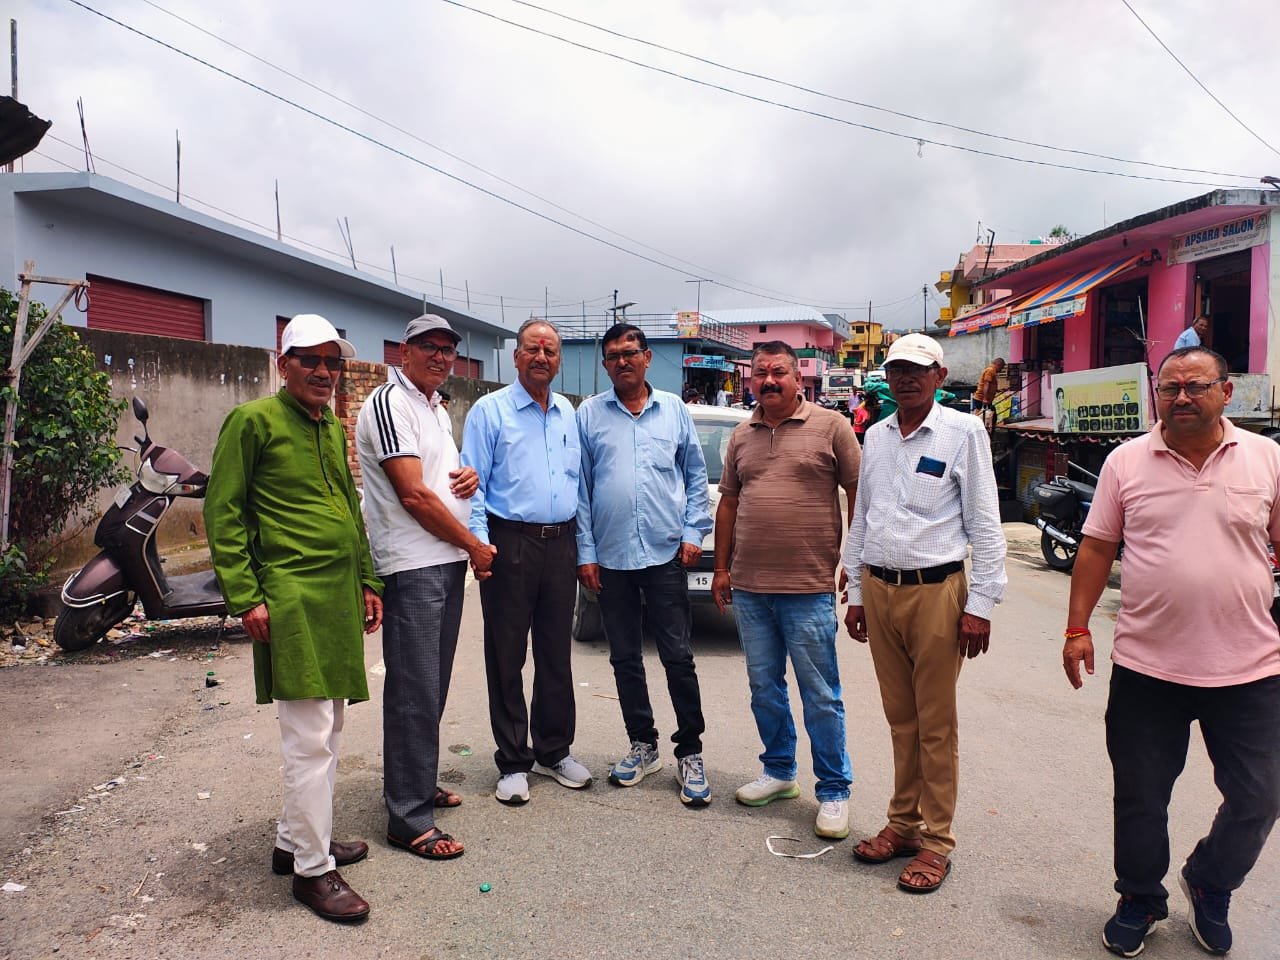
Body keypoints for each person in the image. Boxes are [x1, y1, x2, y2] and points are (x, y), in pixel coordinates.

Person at [1062, 345, 1280, 958]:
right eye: (1170, 387)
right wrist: (1076, 629)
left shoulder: (1267, 458)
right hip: (1148, 666)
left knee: (1262, 794)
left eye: (1196, 386)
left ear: (1226, 392)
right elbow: (1097, 548)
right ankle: (1139, 897)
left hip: (1250, 666)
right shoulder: (1126, 461)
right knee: (1141, 793)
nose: (1181, 397)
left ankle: (1210, 881)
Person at [204, 313, 383, 923]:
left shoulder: (329, 426)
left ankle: (297, 840)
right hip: (292, 596)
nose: (324, 372)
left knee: (329, 728)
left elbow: (350, 510)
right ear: (284, 364)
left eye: (333, 362)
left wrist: (367, 579)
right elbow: (223, 511)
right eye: (311, 360)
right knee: (308, 738)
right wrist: (246, 595)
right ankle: (312, 871)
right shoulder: (253, 421)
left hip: (336, 595)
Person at [842, 332, 1006, 895]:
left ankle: (937, 841)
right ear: (886, 379)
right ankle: (903, 824)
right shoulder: (876, 435)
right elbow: (863, 516)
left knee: (936, 724)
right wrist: (857, 592)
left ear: (938, 375)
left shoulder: (964, 431)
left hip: (937, 592)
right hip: (880, 587)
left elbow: (985, 522)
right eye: (896, 370)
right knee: (901, 719)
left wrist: (980, 604)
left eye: (917, 370)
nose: (906, 379)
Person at [356, 315, 496, 863]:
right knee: (414, 690)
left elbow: (439, 480)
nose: (440, 356)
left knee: (430, 686)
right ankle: (408, 819)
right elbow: (413, 496)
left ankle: (413, 782)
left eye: (448, 349)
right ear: (405, 351)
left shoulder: (434, 407)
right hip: (413, 564)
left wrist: (468, 480)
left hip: (443, 560)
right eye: (429, 347)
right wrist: (474, 545)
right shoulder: (390, 403)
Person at [711, 341, 861, 839]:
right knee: (764, 688)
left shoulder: (832, 427)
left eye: (779, 372)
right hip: (751, 588)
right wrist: (722, 569)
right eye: (760, 373)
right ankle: (778, 771)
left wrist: (854, 560)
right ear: (751, 380)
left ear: (798, 378)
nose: (769, 380)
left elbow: (859, 492)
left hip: (808, 587)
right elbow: (729, 503)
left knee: (821, 695)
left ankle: (834, 790)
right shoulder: (741, 434)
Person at [576, 323, 714, 806]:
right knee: (624, 658)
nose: (622, 362)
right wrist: (586, 553)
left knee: (677, 656)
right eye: (613, 356)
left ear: (647, 357)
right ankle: (643, 744)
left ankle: (690, 751)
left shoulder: (674, 410)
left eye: (630, 353)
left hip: (664, 554)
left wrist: (694, 533)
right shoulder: (589, 414)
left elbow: (695, 476)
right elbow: (581, 489)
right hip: (611, 558)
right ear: (605, 364)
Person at [461, 319, 591, 805]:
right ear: (516, 357)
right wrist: (479, 545)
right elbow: (472, 484)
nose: (541, 357)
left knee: (556, 653)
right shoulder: (489, 411)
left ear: (559, 361)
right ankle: (513, 761)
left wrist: (584, 550)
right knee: (507, 653)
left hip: (561, 542)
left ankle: (553, 751)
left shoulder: (567, 413)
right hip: (509, 542)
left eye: (550, 351)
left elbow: (579, 486)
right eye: (532, 349)